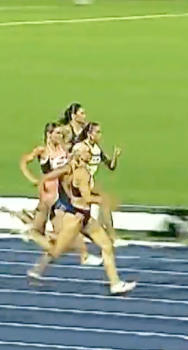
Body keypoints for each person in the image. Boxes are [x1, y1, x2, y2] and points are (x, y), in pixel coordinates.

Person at [28, 143, 135, 295]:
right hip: (75, 218)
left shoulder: (72, 169)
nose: (90, 152)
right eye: (86, 151)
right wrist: (103, 200)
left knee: (106, 246)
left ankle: (115, 283)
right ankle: (37, 270)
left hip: (84, 217)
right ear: (79, 154)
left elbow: (48, 176)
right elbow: (87, 197)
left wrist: (43, 185)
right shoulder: (81, 173)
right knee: (57, 250)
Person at [18, 123, 101, 266]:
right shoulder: (43, 151)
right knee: (56, 231)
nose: (60, 136)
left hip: (62, 195)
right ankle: (81, 254)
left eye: (60, 134)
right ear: (49, 135)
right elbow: (23, 162)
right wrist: (33, 179)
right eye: (57, 133)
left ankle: (82, 255)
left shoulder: (63, 148)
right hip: (49, 196)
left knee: (63, 231)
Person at [74, 121, 121, 240]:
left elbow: (110, 166)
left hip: (89, 182)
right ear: (90, 134)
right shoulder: (81, 147)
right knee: (102, 201)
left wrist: (115, 155)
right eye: (97, 132)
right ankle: (110, 235)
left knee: (103, 202)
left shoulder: (97, 149)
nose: (100, 135)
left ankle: (106, 233)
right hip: (80, 183)